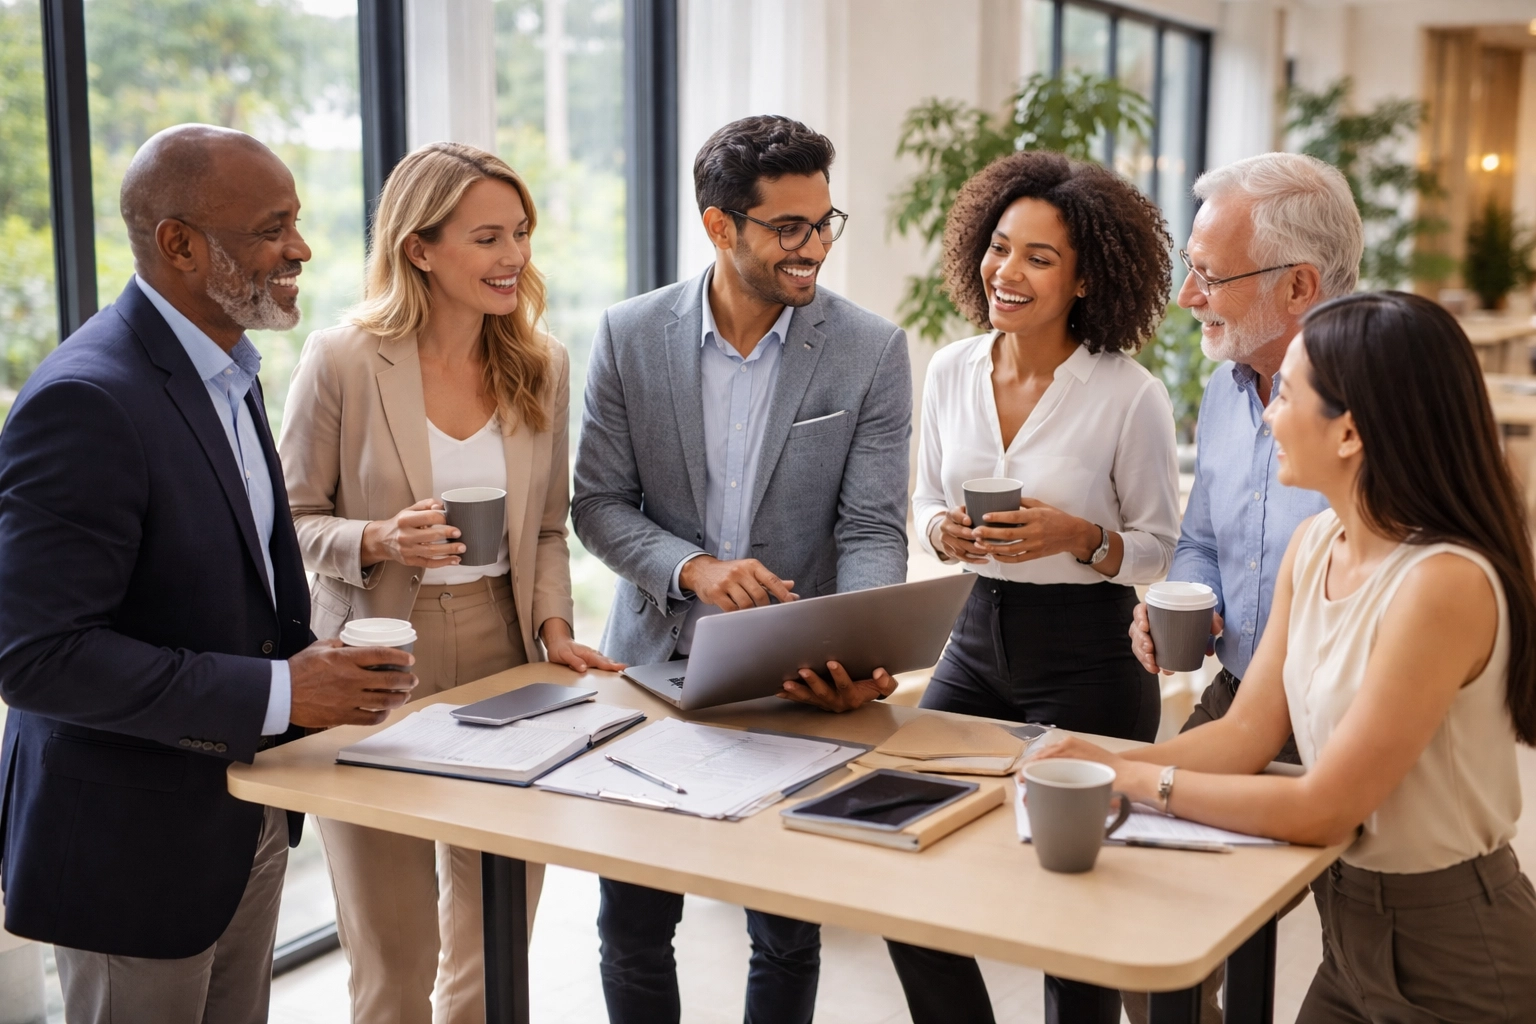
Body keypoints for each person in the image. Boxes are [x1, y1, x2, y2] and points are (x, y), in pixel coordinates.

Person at [0, 124, 418, 1024]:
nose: (301, 248)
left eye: (296, 222)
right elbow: (36, 657)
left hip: (241, 815)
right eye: (273, 228)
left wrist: (324, 669)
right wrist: (280, 691)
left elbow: (230, 588)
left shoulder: (230, 370)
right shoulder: (87, 400)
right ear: (179, 244)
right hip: (130, 848)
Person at [1035, 291, 1536, 1023]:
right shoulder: (1316, 547)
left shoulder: (1443, 585)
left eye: (1289, 396)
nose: (1268, 416)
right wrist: (1091, 758)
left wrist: (1136, 779)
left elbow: (1324, 807)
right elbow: (1248, 734)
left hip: (1458, 952)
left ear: (1350, 434)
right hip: (1349, 936)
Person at [571, 115, 911, 1024]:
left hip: (792, 679)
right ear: (722, 227)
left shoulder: (872, 349)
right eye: (788, 229)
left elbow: (873, 526)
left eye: (825, 223)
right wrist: (693, 569)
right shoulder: (629, 335)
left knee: (786, 930)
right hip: (650, 670)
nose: (813, 249)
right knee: (634, 925)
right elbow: (596, 505)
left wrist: (859, 643)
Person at [279, 141, 619, 1024]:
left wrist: (552, 626)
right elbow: (285, 522)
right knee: (396, 963)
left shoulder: (537, 360)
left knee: (492, 949)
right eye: (487, 238)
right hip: (376, 662)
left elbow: (546, 524)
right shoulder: (343, 358)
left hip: (507, 656)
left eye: (521, 234)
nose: (514, 258)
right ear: (419, 248)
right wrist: (380, 538)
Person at [890, 150, 1179, 1024]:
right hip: (975, 638)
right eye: (1000, 247)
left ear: (1086, 278)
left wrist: (1081, 537)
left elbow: (1160, 550)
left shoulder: (1130, 396)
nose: (1006, 272)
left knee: (1073, 919)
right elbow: (927, 499)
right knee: (908, 867)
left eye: (1039, 258)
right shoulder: (950, 369)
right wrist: (944, 530)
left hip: (1093, 652)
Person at [1120, 152, 1364, 1023]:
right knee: (1149, 934)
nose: (1187, 296)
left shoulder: (1381, 398)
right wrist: (1182, 601)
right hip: (1240, 694)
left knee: (1364, 957)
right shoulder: (1226, 390)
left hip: (1352, 711)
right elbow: (1202, 541)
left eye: (1209, 274)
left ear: (1299, 285)